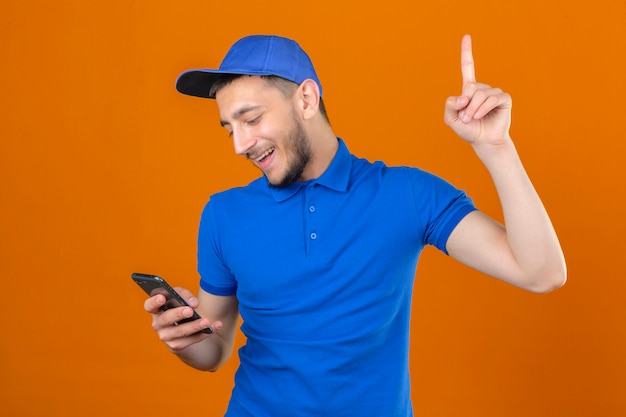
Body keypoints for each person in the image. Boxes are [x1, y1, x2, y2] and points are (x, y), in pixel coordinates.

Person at [144, 34, 566, 416]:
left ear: (307, 100)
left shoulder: (407, 194)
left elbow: (541, 272)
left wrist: (497, 148)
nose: (239, 145)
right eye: (229, 129)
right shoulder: (223, 214)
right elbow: (214, 352)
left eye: (251, 119)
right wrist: (184, 335)